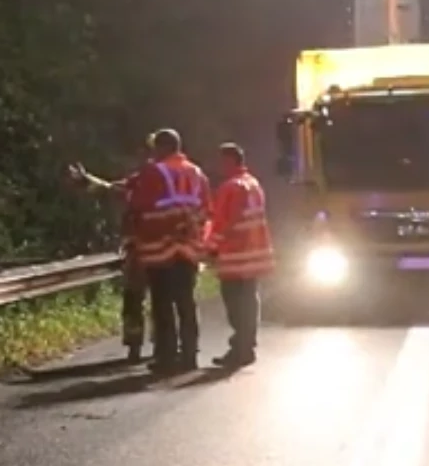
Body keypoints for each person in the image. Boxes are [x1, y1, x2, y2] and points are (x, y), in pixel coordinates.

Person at [72, 128, 209, 372]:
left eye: (154, 148)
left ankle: (166, 357)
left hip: (160, 250)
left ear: (162, 147)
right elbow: (207, 210)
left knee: (163, 306)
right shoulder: (197, 173)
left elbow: (133, 200)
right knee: (186, 304)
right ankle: (190, 356)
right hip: (189, 250)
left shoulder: (154, 172)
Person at [67, 155, 153, 362]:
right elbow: (108, 188)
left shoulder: (151, 185)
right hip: (143, 254)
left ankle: (156, 347)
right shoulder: (140, 183)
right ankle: (144, 346)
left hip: (153, 253)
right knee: (138, 301)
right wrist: (86, 179)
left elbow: (109, 189)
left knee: (149, 302)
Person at [205, 142, 275, 368]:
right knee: (249, 302)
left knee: (235, 304)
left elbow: (224, 224)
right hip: (253, 255)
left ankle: (240, 348)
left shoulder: (231, 187)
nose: (219, 166)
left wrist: (209, 249)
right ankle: (247, 345)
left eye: (222, 161)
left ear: (230, 161)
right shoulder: (254, 184)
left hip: (235, 257)